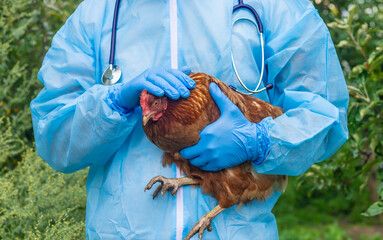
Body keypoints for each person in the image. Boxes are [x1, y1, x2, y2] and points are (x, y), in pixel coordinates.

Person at [31, 0, 349, 239]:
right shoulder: (96, 15)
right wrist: (112, 102)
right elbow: (53, 136)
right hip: (123, 231)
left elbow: (324, 112)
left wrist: (262, 140)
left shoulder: (276, 6)